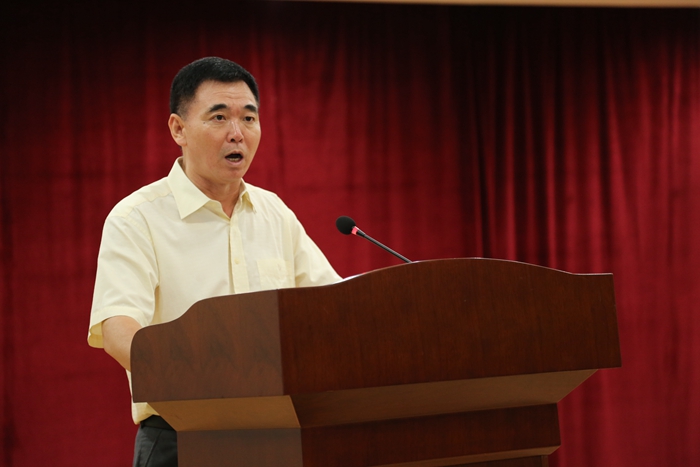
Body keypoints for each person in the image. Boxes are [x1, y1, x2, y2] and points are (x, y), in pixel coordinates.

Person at [87, 57, 341, 467]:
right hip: (183, 438)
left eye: (248, 118)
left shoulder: (274, 214)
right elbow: (119, 332)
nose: (237, 133)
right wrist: (202, 380)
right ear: (178, 129)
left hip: (277, 437)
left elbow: (332, 307)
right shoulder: (137, 218)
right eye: (219, 117)